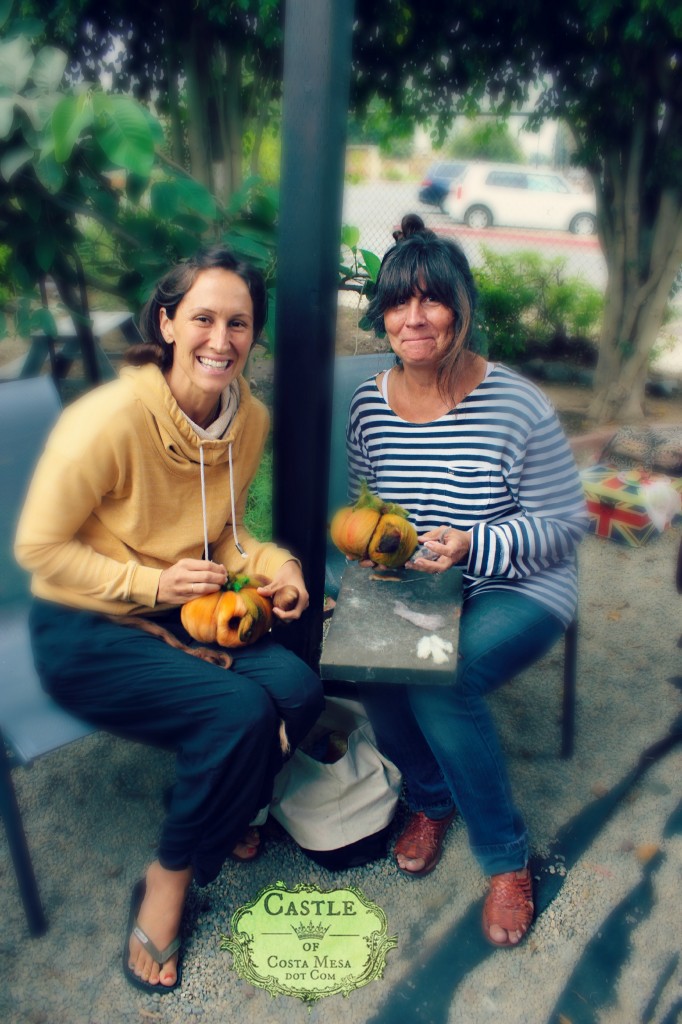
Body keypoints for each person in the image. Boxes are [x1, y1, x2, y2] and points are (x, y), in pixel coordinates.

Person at [14, 245, 324, 992]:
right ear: (169, 322)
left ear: (255, 336)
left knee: (300, 687)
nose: (221, 340)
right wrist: (151, 582)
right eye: (204, 319)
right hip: (83, 625)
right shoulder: (110, 418)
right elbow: (39, 548)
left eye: (240, 324)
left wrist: (277, 566)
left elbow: (229, 536)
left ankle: (217, 805)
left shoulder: (247, 421)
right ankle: (169, 877)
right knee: (242, 714)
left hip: (187, 611)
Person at [345, 227, 588, 947]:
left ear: (462, 310)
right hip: (421, 581)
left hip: (522, 583)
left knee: (437, 678)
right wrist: (373, 553)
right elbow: (373, 503)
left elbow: (564, 524)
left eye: (432, 301)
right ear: (382, 316)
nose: (413, 318)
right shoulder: (370, 404)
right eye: (397, 304)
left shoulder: (517, 404)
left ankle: (505, 857)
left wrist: (476, 543)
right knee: (369, 662)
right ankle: (430, 794)